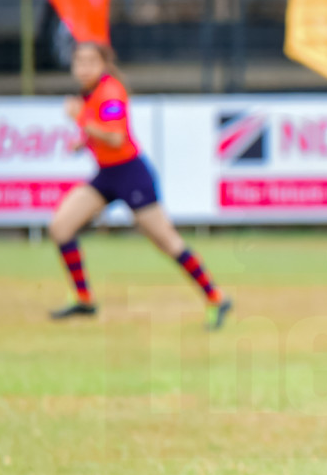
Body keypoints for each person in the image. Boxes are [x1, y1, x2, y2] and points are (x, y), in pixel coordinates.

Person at [48, 42, 232, 330]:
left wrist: (80, 119)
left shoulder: (110, 91)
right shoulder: (91, 93)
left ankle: (216, 297)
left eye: (90, 62)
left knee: (167, 242)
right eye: (79, 62)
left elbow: (116, 138)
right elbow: (102, 136)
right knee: (61, 227)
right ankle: (84, 299)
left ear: (104, 64)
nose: (83, 68)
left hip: (131, 175)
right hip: (107, 175)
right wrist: (83, 141)